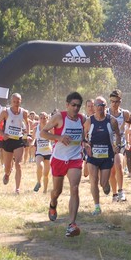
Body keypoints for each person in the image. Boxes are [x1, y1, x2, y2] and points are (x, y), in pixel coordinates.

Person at [41, 92, 86, 237]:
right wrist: (58, 137)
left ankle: (72, 224)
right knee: (57, 191)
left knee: (74, 188)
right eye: (73, 105)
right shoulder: (59, 117)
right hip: (59, 158)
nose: (76, 108)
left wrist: (87, 143)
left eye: (78, 106)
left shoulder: (82, 119)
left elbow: (84, 137)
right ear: (67, 105)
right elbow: (43, 133)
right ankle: (53, 204)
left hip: (75, 158)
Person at [83, 96, 120, 216]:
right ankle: (97, 207)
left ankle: (106, 184)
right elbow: (84, 137)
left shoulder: (112, 121)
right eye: (98, 105)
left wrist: (117, 146)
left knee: (103, 183)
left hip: (107, 156)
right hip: (93, 156)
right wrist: (86, 145)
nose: (100, 108)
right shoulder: (89, 121)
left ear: (106, 106)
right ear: (94, 107)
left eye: (102, 105)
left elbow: (118, 135)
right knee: (93, 179)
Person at [0, 93, 30, 194]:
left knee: (18, 164)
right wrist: (2, 134)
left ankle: (17, 188)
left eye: (18, 101)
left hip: (18, 140)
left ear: (21, 101)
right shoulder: (5, 112)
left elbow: (27, 123)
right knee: (7, 167)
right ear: (11, 101)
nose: (16, 103)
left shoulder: (24, 112)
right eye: (14, 102)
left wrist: (27, 134)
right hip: (8, 141)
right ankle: (7, 174)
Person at [107, 89, 131, 202]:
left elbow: (129, 125)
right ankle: (114, 194)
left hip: (120, 143)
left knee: (119, 164)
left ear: (120, 101)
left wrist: (128, 136)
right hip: (109, 144)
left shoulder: (125, 113)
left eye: (116, 101)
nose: (114, 104)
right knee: (112, 170)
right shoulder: (106, 113)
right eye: (112, 101)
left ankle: (121, 191)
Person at [33, 112, 52, 193]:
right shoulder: (35, 128)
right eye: (41, 118)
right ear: (39, 119)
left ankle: (45, 190)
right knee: (40, 166)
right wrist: (30, 141)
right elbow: (33, 138)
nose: (43, 120)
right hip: (39, 152)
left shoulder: (50, 129)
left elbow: (54, 137)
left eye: (44, 118)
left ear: (47, 119)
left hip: (48, 152)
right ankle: (38, 182)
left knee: (46, 174)